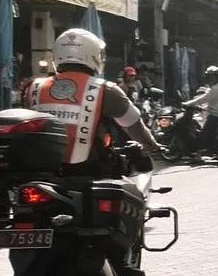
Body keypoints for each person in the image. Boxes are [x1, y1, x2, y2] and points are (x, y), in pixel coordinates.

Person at [28, 28, 160, 176]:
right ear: (94, 56)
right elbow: (133, 124)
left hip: (40, 169)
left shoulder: (34, 87)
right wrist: (151, 144)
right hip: (89, 169)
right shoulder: (105, 89)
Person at [184, 66, 218, 159]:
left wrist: (188, 103)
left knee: (204, 134)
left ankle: (198, 155)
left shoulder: (216, 88)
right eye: (209, 77)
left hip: (216, 114)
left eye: (212, 77)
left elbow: (204, 98)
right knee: (213, 134)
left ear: (216, 77)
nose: (210, 79)